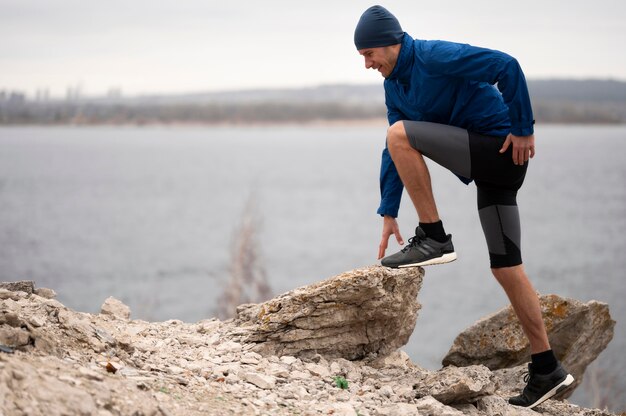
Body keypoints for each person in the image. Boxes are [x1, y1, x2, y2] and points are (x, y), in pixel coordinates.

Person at [354, 5, 574, 409]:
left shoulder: (435, 56)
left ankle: (435, 237)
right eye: (362, 57)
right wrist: (388, 210)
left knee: (400, 134)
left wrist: (523, 128)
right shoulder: (394, 87)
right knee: (506, 267)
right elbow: (393, 151)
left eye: (369, 54)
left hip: (502, 150)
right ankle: (547, 368)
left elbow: (506, 66)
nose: (366, 64)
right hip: (494, 168)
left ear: (393, 42)